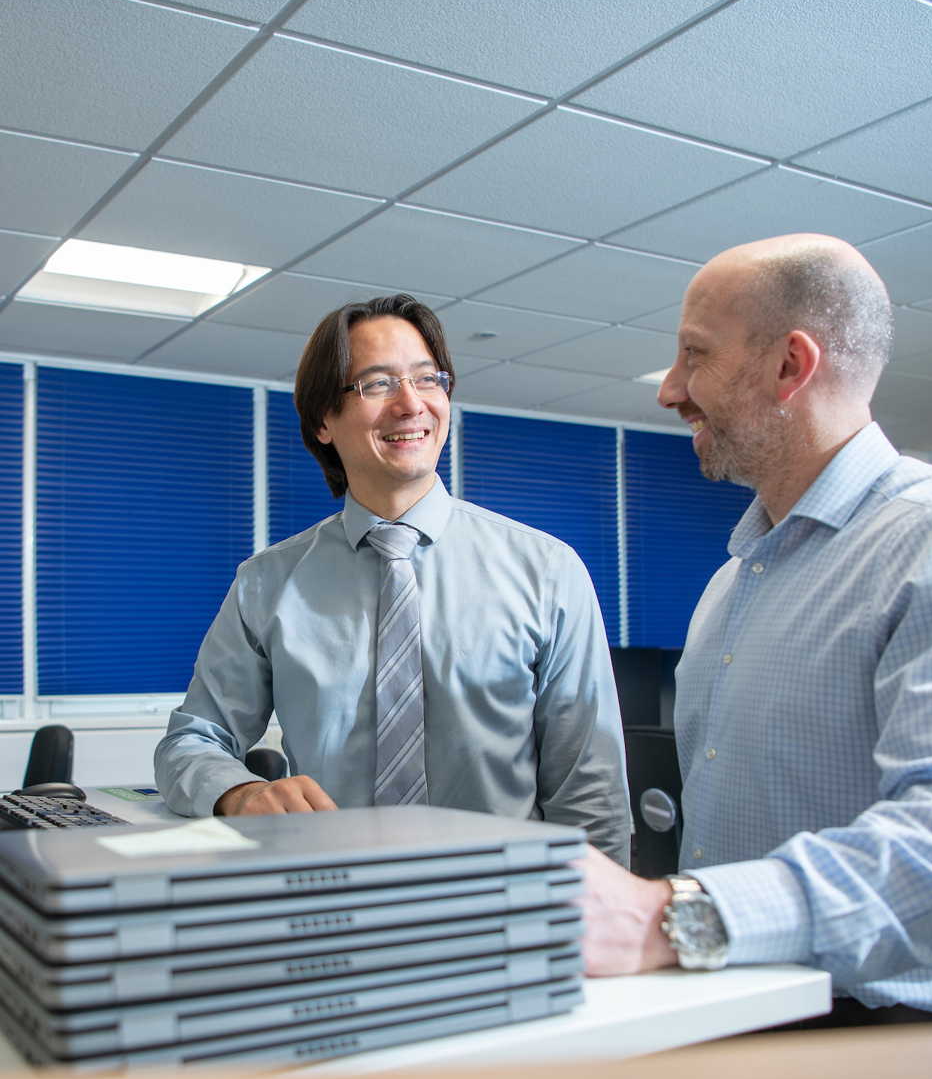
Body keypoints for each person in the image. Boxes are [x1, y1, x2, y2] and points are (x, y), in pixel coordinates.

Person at [580, 234, 932, 1020]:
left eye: (694, 355)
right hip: (736, 1003)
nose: (670, 389)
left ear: (789, 366)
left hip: (897, 1041)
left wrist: (669, 916)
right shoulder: (731, 582)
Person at [155, 294, 630, 865]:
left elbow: (591, 795)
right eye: (377, 384)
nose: (412, 404)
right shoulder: (267, 584)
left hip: (504, 912)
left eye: (429, 379)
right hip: (330, 907)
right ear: (324, 420)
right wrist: (241, 792)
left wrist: (595, 939)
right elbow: (189, 740)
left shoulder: (548, 571)